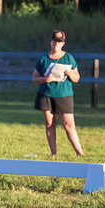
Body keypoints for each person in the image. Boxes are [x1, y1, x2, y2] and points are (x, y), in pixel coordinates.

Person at [32, 29, 86, 158]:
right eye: (54, 41)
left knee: (69, 124)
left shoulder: (68, 58)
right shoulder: (44, 59)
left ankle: (80, 152)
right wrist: (44, 79)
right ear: (50, 42)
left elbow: (77, 78)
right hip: (46, 94)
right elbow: (35, 78)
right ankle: (53, 154)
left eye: (59, 42)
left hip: (64, 94)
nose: (56, 44)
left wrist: (69, 72)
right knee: (50, 124)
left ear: (63, 43)